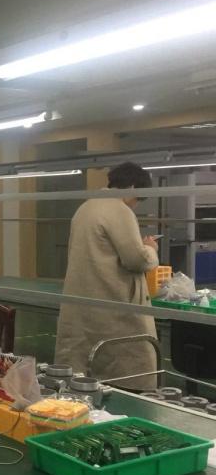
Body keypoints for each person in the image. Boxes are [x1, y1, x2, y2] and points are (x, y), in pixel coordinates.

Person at [54, 162, 160, 391]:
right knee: (123, 370)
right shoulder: (119, 210)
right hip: (113, 306)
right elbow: (136, 260)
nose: (135, 204)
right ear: (133, 187)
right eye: (138, 198)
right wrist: (150, 249)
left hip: (84, 301)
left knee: (85, 369)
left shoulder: (86, 208)